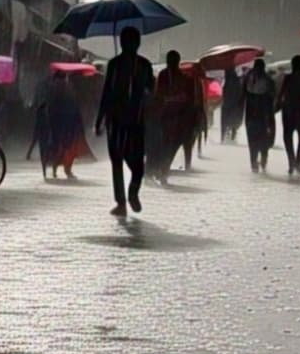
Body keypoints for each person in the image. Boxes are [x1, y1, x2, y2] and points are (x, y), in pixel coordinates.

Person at [95, 26, 154, 216]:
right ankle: (121, 202)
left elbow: (151, 90)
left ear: (136, 44)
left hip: (136, 120)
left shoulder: (145, 65)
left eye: (130, 41)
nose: (127, 45)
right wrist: (101, 119)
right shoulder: (114, 65)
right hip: (116, 120)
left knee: (137, 164)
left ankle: (133, 192)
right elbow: (106, 93)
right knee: (117, 161)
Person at [150, 50, 202, 182]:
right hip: (165, 116)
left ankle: (164, 170)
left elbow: (191, 101)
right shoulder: (163, 75)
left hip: (179, 118)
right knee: (164, 145)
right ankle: (162, 170)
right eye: (169, 61)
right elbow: (158, 95)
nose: (170, 64)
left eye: (172, 61)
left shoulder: (186, 79)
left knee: (172, 146)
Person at [31, 70, 93, 179]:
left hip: (68, 123)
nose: (62, 82)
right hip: (56, 124)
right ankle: (54, 169)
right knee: (57, 148)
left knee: (68, 148)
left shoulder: (68, 90)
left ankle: (66, 169)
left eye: (63, 80)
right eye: (60, 80)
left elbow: (74, 106)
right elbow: (49, 107)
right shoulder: (52, 91)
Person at [242, 58, 276, 172]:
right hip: (264, 115)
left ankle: (254, 163)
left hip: (251, 114)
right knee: (264, 139)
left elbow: (242, 96)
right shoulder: (268, 80)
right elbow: (273, 96)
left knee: (252, 140)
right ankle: (262, 161)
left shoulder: (248, 79)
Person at [221, 68, 244, 143]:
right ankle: (233, 137)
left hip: (226, 104)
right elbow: (240, 92)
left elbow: (223, 93)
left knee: (224, 121)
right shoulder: (237, 80)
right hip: (235, 104)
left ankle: (223, 137)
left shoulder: (226, 81)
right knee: (234, 121)